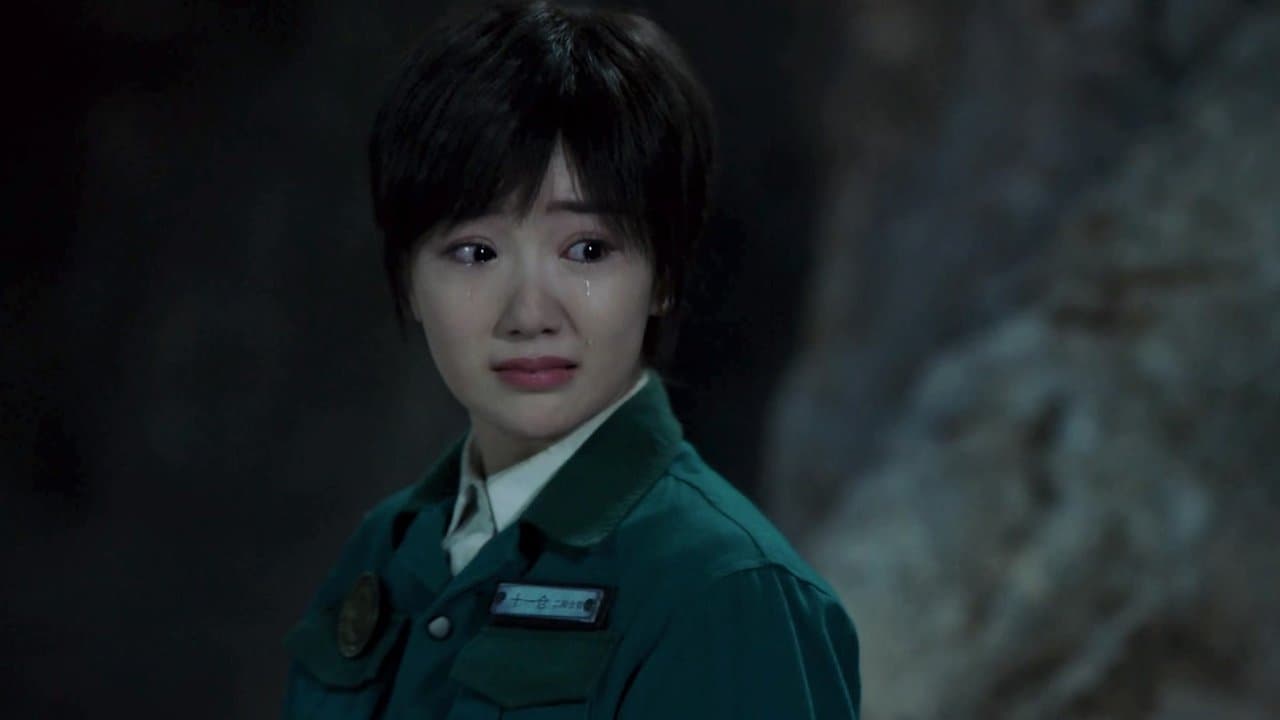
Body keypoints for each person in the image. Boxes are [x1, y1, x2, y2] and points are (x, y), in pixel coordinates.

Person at [280, 1, 861, 717]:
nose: (530, 314)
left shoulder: (729, 591)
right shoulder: (385, 551)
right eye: (475, 252)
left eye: (587, 249)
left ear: (664, 274)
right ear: (407, 282)